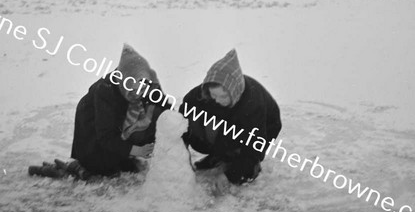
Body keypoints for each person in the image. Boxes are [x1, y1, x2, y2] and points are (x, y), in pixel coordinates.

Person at [29, 44, 169, 180]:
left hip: (119, 128)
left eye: (143, 89)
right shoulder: (106, 90)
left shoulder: (149, 82)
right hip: (93, 136)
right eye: (134, 90)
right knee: (105, 169)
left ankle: (122, 155)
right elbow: (106, 136)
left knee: (132, 162)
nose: (139, 94)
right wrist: (136, 150)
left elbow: (167, 111)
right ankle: (76, 167)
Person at [180, 49, 282, 193]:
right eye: (213, 94)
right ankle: (220, 155)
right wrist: (180, 156)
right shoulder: (202, 95)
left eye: (223, 96)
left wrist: (230, 176)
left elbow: (254, 150)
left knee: (247, 162)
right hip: (229, 121)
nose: (217, 100)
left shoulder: (252, 105)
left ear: (234, 92)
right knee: (203, 124)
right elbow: (180, 123)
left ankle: (234, 158)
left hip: (264, 125)